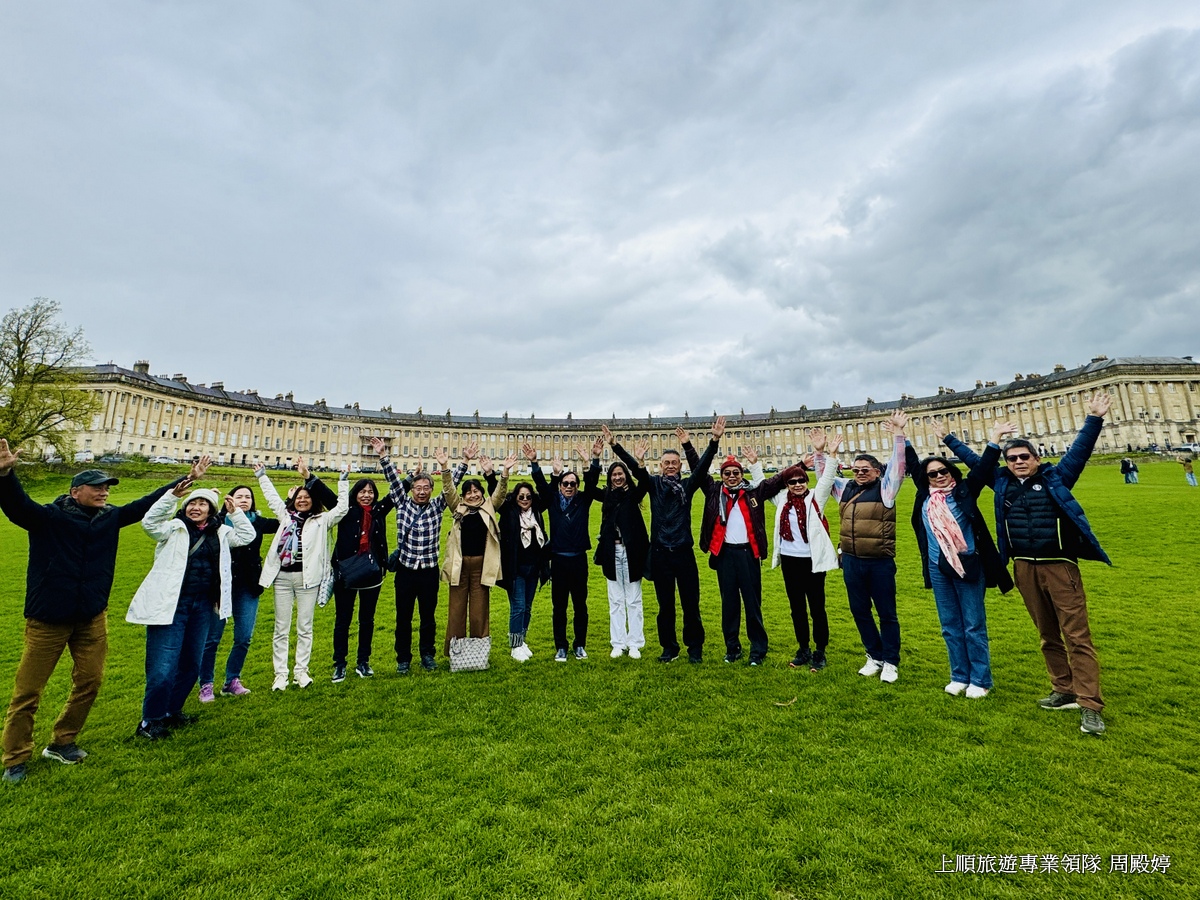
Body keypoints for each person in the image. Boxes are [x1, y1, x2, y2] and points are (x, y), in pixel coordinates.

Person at [0, 440, 199, 784]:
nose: (105, 492)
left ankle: (63, 741)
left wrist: (180, 483)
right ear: (76, 491)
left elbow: (141, 506)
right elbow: (17, 506)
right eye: (97, 487)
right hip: (48, 619)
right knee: (28, 692)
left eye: (107, 487)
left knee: (90, 681)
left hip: (92, 617)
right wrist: (5, 474)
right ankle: (15, 758)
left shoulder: (110, 518)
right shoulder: (48, 518)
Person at [944, 392, 1114, 736]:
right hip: (1023, 567)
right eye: (1013, 458)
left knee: (1077, 636)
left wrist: (1094, 418)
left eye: (1024, 457)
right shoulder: (1002, 482)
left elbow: (1079, 452)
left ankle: (1090, 704)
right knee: (1047, 635)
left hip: (1060, 566)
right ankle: (1063, 688)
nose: (1019, 462)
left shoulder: (1057, 478)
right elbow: (978, 462)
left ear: (1036, 458)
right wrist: (948, 440)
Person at [127, 484, 255, 739]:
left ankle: (172, 711)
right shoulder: (173, 529)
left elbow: (247, 536)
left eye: (202, 504)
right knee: (163, 667)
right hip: (172, 605)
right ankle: (150, 720)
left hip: (203, 605)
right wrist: (172, 496)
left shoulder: (221, 532)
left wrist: (236, 513)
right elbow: (149, 522)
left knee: (191, 664)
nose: (196, 508)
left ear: (211, 510)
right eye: (192, 504)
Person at [908, 420, 1014, 699]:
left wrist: (994, 437)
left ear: (951, 471)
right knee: (950, 626)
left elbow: (983, 467)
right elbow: (910, 463)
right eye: (932, 474)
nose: (939, 476)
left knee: (973, 625)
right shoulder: (924, 499)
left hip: (967, 565)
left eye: (943, 471)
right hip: (937, 568)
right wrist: (899, 434)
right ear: (926, 479)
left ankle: (980, 679)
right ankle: (959, 676)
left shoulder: (965, 490)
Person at [611, 419, 722, 663]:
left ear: (679, 465)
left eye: (674, 463)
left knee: (691, 605)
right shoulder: (653, 484)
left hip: (683, 552)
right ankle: (669, 648)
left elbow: (702, 469)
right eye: (666, 463)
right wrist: (616, 446)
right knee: (665, 607)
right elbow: (636, 470)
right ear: (660, 466)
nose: (670, 466)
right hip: (660, 553)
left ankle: (694, 648)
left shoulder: (687, 485)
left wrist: (713, 442)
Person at [697, 440, 807, 666]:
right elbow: (698, 471)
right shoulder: (714, 491)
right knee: (729, 604)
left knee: (752, 603)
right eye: (727, 473)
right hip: (724, 554)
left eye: (735, 472)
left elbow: (777, 481)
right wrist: (689, 444)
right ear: (722, 475)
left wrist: (801, 465)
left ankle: (758, 649)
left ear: (741, 473)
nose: (731, 476)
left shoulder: (754, 492)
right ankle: (732, 648)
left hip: (748, 554)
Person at [256, 461, 350, 691]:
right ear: (294, 499)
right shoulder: (285, 517)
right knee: (281, 627)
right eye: (299, 497)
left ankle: (301, 671)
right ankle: (280, 674)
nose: (302, 500)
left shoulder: (322, 521)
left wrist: (343, 481)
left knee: (305, 627)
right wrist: (261, 476)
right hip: (282, 579)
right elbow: (271, 498)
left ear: (313, 501)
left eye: (307, 497)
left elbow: (342, 509)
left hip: (307, 579)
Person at [830, 410, 908, 683]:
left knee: (886, 613)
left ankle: (891, 661)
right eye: (857, 469)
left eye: (866, 470)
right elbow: (824, 476)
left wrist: (899, 434)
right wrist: (823, 454)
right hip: (851, 560)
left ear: (877, 472)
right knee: (859, 611)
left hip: (879, 562)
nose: (860, 473)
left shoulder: (886, 489)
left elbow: (899, 467)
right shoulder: (844, 488)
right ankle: (873, 655)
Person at [379, 442, 469, 673]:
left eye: (426, 487)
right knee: (403, 618)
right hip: (406, 571)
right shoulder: (401, 502)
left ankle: (427, 655)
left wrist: (461, 463)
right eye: (417, 487)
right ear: (411, 489)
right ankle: (403, 659)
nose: (421, 491)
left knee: (428, 617)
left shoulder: (437, 506)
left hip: (429, 571)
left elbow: (452, 486)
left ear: (431, 489)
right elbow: (392, 479)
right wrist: (383, 455)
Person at [307, 450, 395, 683]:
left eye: (370, 492)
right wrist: (308, 476)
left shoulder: (378, 510)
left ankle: (363, 662)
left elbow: (397, 493)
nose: (366, 495)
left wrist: (410, 476)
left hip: (372, 575)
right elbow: (325, 494)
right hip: (345, 574)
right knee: (342, 620)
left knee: (367, 620)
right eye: (362, 491)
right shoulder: (343, 510)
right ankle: (340, 664)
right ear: (355, 493)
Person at [767, 429, 842, 672]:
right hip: (790, 561)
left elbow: (828, 478)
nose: (798, 485)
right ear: (787, 484)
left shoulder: (815, 499)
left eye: (801, 481)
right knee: (796, 607)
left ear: (807, 482)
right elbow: (763, 486)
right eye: (792, 482)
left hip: (812, 561)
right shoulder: (781, 500)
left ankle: (820, 651)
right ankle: (803, 648)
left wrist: (829, 454)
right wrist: (756, 466)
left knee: (817, 606)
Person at [197, 484, 280, 701]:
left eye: (248, 497)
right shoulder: (217, 522)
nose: (244, 499)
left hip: (248, 586)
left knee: (244, 637)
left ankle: (232, 680)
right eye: (239, 496)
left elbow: (286, 521)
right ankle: (206, 683)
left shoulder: (258, 521)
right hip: (220, 586)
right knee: (212, 638)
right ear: (230, 499)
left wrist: (290, 500)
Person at [530, 437, 602, 661]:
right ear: (560, 485)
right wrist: (534, 463)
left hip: (579, 559)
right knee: (558, 607)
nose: (569, 487)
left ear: (577, 486)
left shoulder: (583, 499)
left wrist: (594, 460)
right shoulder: (552, 501)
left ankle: (580, 645)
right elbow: (542, 486)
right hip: (559, 561)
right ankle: (561, 646)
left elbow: (592, 483)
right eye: (565, 483)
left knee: (580, 606)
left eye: (573, 483)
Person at [442, 453, 516, 659]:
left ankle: (478, 653)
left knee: (479, 612)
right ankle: (455, 653)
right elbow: (448, 491)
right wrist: (445, 468)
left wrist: (505, 472)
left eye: (476, 491)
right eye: (469, 492)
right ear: (463, 496)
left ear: (482, 493)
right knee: (456, 611)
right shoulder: (458, 507)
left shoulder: (489, 506)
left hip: (482, 566)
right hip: (459, 565)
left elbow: (500, 493)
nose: (473, 495)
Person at [593, 428, 651, 658]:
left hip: (632, 551)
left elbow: (644, 479)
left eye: (621, 474)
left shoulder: (634, 495)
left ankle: (635, 642)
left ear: (626, 475)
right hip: (611, 551)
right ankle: (618, 643)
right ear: (610, 478)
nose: (617, 477)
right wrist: (596, 459)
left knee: (634, 599)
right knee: (615, 599)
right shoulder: (606, 495)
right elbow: (588, 488)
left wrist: (622, 451)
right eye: (614, 475)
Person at [495, 464, 549, 661]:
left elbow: (546, 492)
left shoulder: (536, 512)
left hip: (533, 569)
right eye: (521, 496)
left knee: (527, 607)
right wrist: (500, 473)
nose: (524, 499)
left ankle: (521, 640)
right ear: (515, 497)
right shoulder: (508, 512)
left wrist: (536, 466)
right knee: (517, 607)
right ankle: (515, 646)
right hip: (515, 568)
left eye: (528, 496)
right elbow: (497, 494)